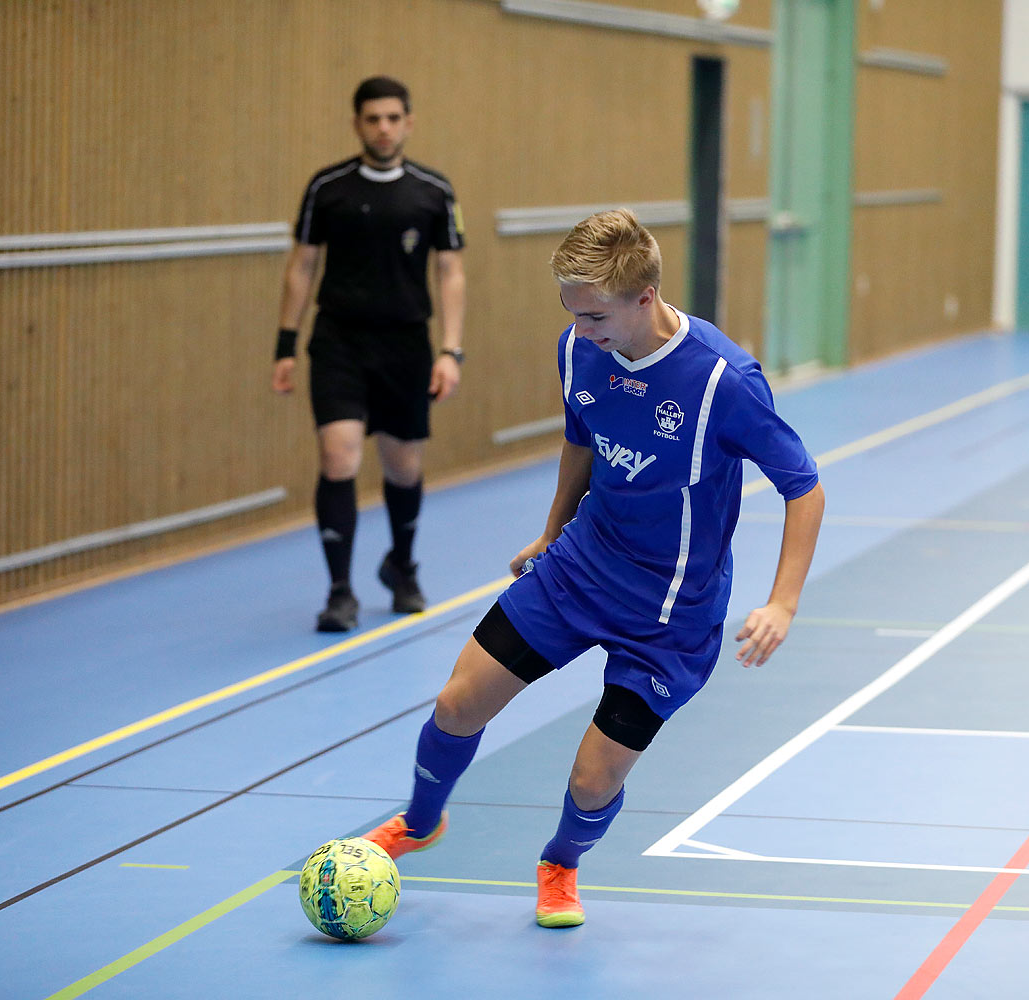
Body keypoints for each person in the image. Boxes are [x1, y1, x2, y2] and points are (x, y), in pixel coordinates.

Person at [359, 208, 825, 927]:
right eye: (571, 311)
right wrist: (551, 533)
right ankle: (420, 823)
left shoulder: (722, 380)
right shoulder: (581, 349)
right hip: (581, 565)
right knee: (457, 704)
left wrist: (783, 602)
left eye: (596, 315)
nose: (582, 329)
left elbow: (803, 485)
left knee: (594, 774)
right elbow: (583, 435)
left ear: (645, 298)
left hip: (671, 611)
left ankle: (561, 863)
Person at [273, 75, 466, 632]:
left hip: (406, 344)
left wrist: (451, 350)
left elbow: (450, 272)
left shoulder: (434, 191)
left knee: (403, 467)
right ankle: (339, 591)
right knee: (339, 457)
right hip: (339, 342)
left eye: (392, 118)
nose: (383, 128)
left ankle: (402, 566)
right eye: (372, 118)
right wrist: (285, 345)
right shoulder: (327, 188)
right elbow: (302, 266)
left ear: (408, 122)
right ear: (357, 123)